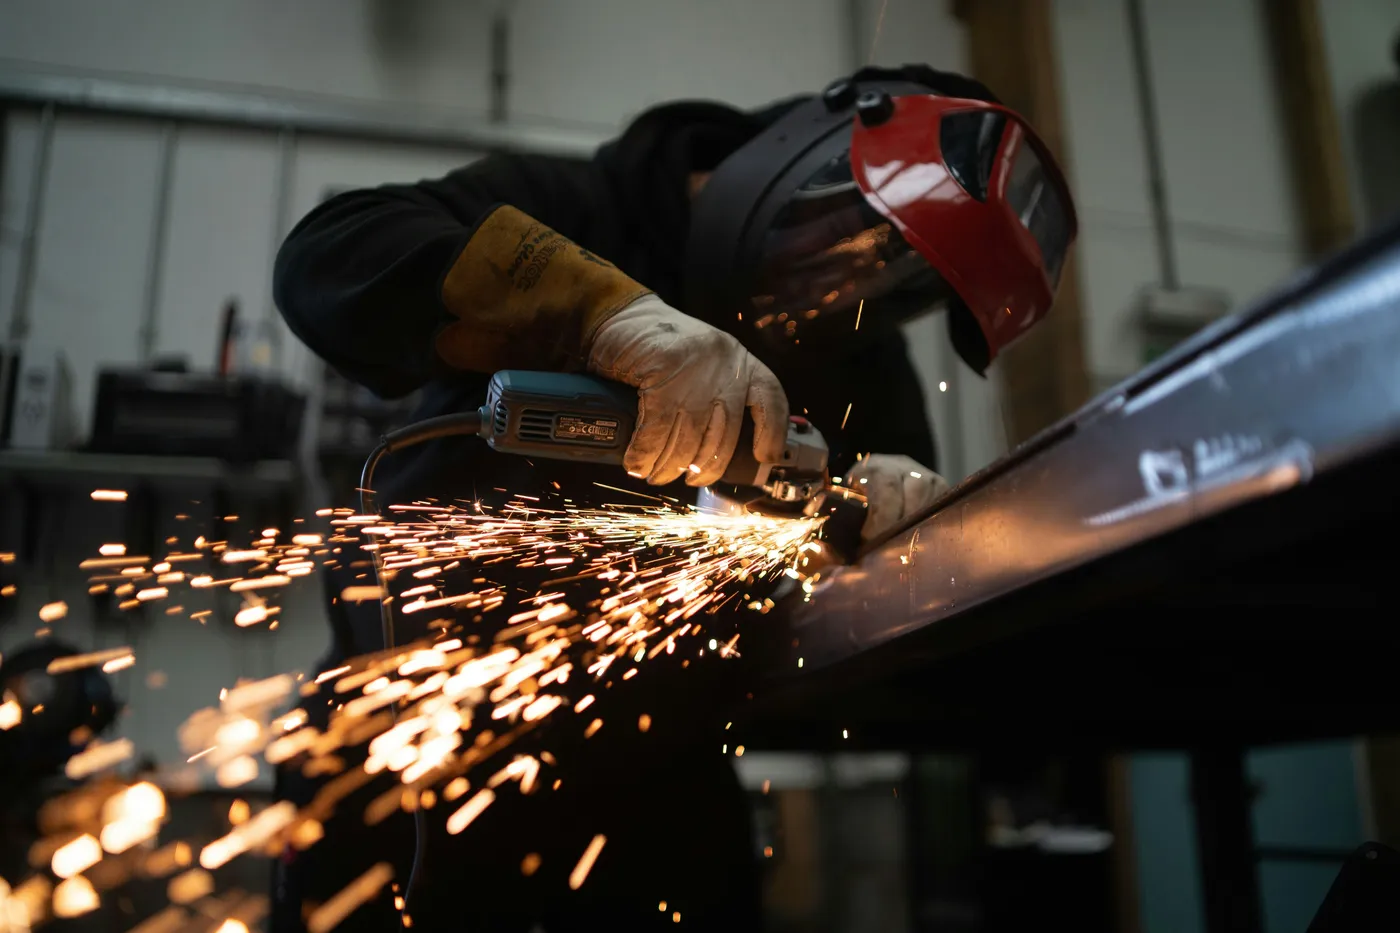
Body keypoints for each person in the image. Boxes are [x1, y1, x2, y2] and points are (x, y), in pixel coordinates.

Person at [272, 64, 1077, 932]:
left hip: (654, 767)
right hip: (407, 738)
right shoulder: (576, 206)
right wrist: (600, 313)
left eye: (902, 284)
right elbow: (331, 249)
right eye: (861, 243)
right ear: (801, 154)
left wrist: (890, 532)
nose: (849, 289)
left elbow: (878, 570)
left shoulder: (854, 347)